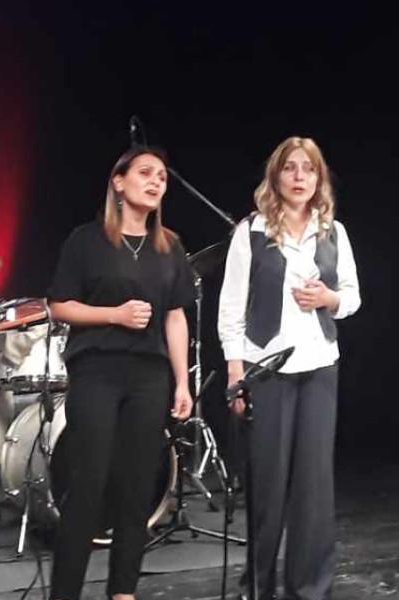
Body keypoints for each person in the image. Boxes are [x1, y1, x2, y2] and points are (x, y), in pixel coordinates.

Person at [47, 146, 194, 600]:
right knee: (88, 485)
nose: (155, 182)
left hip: (149, 376)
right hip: (97, 370)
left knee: (137, 488)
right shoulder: (86, 241)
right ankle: (65, 592)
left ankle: (123, 591)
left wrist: (183, 381)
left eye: (162, 177)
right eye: (145, 173)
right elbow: (59, 306)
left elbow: (175, 316)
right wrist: (114, 314)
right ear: (118, 181)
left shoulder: (169, 247)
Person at [218, 136, 361, 600]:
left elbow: (352, 298)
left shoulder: (333, 232)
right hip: (267, 371)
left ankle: (310, 587)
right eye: (290, 168)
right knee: (268, 486)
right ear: (275, 175)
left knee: (314, 489)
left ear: (319, 178)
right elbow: (231, 309)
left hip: (319, 368)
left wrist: (329, 298)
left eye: (309, 169)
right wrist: (236, 373)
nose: (300, 177)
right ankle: (259, 585)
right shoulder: (252, 232)